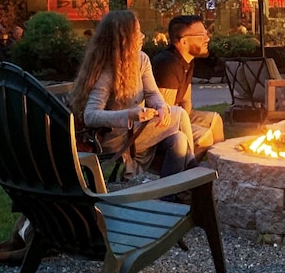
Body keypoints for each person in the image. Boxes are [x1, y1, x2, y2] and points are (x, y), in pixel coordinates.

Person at [69, 10, 194, 181]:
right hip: (115, 138)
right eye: (137, 32)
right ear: (123, 39)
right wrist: (130, 115)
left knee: (179, 139)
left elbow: (152, 93)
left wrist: (161, 106)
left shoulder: (142, 59)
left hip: (136, 132)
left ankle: (171, 193)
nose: (142, 36)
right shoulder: (107, 71)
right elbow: (90, 116)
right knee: (179, 113)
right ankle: (193, 168)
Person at [152, 15, 225, 158]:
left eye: (206, 33)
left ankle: (219, 166)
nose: (207, 39)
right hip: (160, 123)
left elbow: (186, 100)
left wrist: (187, 120)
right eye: (201, 35)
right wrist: (187, 127)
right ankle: (187, 169)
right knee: (204, 136)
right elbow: (167, 114)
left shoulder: (188, 60)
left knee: (215, 120)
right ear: (184, 41)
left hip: (179, 115)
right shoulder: (167, 64)